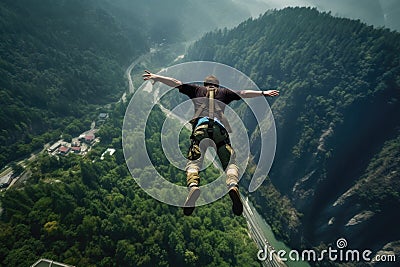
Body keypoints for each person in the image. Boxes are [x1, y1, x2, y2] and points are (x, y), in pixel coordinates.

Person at [143, 70, 279, 216]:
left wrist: (156, 77)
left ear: (205, 84)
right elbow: (244, 93)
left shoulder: (196, 89)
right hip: (219, 131)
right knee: (230, 163)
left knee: (193, 163)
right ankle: (233, 185)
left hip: (200, 130)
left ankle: (193, 186)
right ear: (217, 86)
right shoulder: (225, 93)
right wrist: (263, 93)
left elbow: (175, 82)